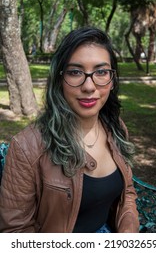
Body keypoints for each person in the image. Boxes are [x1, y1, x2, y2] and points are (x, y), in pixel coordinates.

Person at [0, 27, 139, 233]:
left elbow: (127, 192)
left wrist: (128, 228)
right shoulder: (27, 147)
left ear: (112, 80)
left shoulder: (116, 127)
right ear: (59, 80)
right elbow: (14, 232)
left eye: (101, 72)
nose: (89, 86)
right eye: (75, 72)